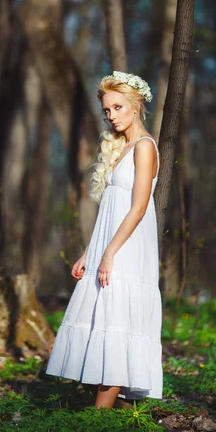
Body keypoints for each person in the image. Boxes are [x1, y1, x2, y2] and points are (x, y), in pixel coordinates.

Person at [45, 70, 163, 408]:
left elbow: (139, 208)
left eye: (118, 107)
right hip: (108, 247)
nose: (112, 116)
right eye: (107, 110)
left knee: (118, 323)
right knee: (103, 320)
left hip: (127, 250)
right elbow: (111, 211)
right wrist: (90, 252)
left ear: (137, 105)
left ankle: (100, 419)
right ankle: (101, 413)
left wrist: (109, 254)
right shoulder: (120, 148)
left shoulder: (144, 148)